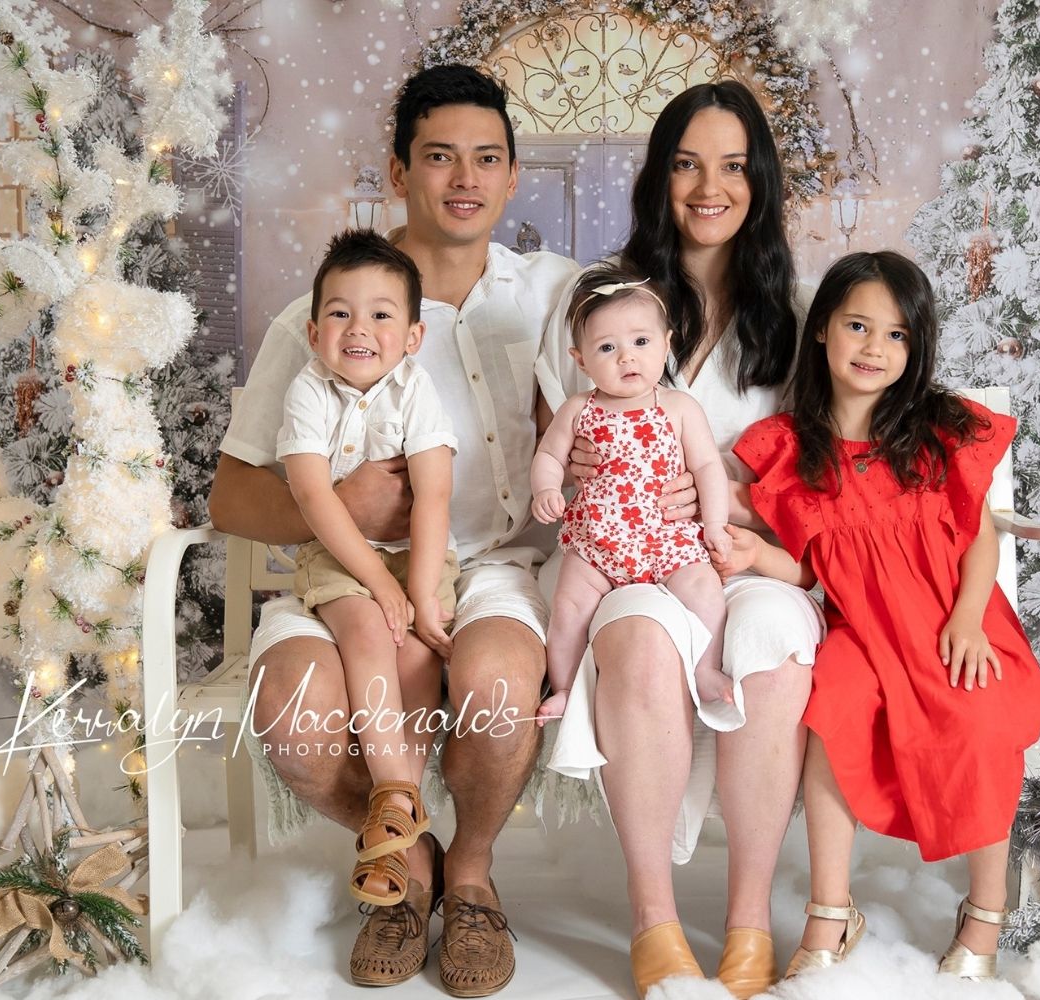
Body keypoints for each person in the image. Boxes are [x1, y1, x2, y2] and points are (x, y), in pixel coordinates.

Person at [210, 64, 578, 994]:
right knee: (294, 722)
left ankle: (471, 873)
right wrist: (345, 508)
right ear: (399, 167)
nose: (464, 178)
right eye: (439, 156)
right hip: (337, 568)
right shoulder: (326, 311)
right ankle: (410, 867)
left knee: (497, 694)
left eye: (486, 158)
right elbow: (229, 498)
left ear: (511, 174)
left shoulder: (552, 295)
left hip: (489, 565)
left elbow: (638, 379)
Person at [537, 80, 820, 1000]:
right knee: (634, 637)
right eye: (688, 163)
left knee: (774, 645)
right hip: (624, 556)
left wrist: (732, 497)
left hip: (739, 555)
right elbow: (557, 442)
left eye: (733, 166)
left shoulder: (797, 314)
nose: (710, 186)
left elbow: (820, 477)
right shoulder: (597, 300)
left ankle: (747, 921)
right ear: (659, 177)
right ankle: (654, 920)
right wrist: (576, 474)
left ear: (760, 181)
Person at [723, 250, 1040, 981]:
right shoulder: (792, 451)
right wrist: (755, 556)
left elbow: (981, 539)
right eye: (858, 326)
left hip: (951, 620)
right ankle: (830, 916)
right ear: (821, 332)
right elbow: (818, 568)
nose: (875, 348)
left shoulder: (938, 432)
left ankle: (986, 910)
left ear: (917, 345)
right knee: (833, 710)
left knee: (980, 716)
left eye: (897, 335)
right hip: (863, 635)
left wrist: (967, 620)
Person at [277, 229, 457, 907]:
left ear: (412, 336)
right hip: (341, 556)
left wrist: (417, 590)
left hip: (417, 552)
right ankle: (396, 805)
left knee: (415, 652)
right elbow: (314, 498)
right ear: (313, 328)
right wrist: (380, 585)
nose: (360, 328)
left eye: (382, 314)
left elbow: (433, 493)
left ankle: (393, 827)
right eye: (341, 312)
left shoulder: (416, 389)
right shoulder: (308, 391)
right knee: (366, 631)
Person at [530, 266, 733, 725]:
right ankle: (564, 687)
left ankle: (704, 669)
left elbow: (707, 468)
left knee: (705, 591)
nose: (627, 358)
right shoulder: (579, 408)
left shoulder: (679, 407)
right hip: (596, 544)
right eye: (607, 348)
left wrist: (715, 524)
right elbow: (549, 455)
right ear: (580, 360)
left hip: (668, 540)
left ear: (667, 344)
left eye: (641, 342)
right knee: (567, 608)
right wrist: (545, 486)